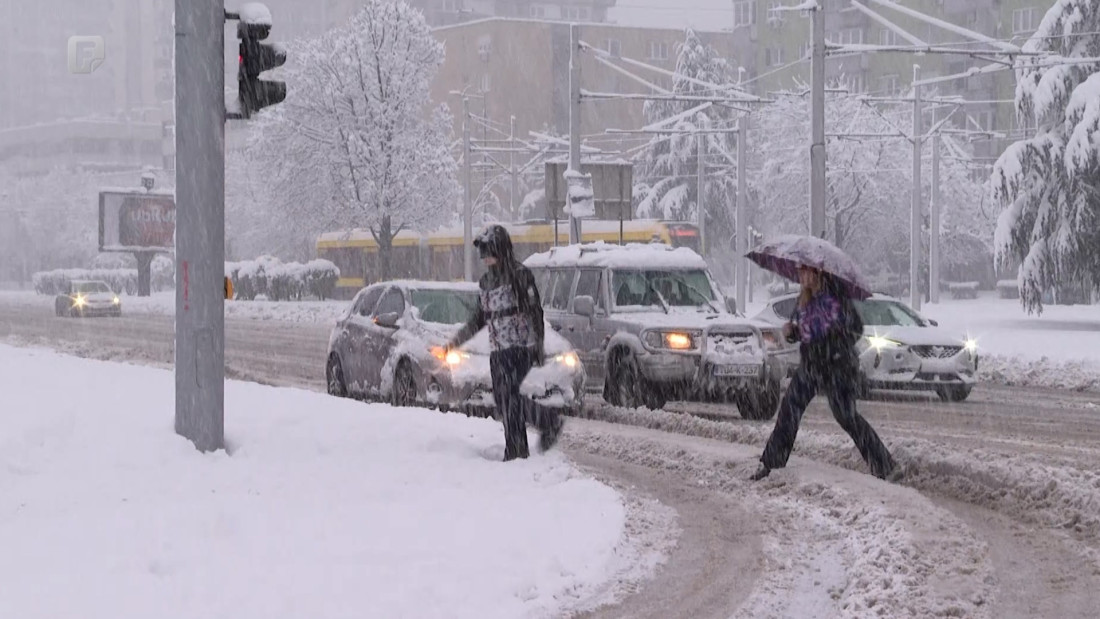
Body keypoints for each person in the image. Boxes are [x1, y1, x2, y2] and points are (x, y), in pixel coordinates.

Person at [751, 264, 899, 481]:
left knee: (846, 417)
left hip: (838, 366)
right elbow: (808, 333)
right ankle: (771, 465)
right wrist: (793, 333)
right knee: (789, 410)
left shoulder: (836, 298)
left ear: (817, 273)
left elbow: (856, 329)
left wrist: (834, 344)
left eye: (804, 271)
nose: (800, 276)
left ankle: (886, 466)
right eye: (799, 271)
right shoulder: (806, 299)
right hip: (812, 364)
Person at [447, 225, 564, 461]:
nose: (486, 260)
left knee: (509, 398)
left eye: (489, 253)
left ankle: (548, 421)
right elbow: (480, 318)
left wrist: (538, 345)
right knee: (504, 402)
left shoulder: (520, 275)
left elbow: (535, 311)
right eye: (483, 255)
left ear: (501, 250)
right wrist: (457, 341)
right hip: (498, 350)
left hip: (521, 348)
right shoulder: (486, 283)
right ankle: (517, 450)